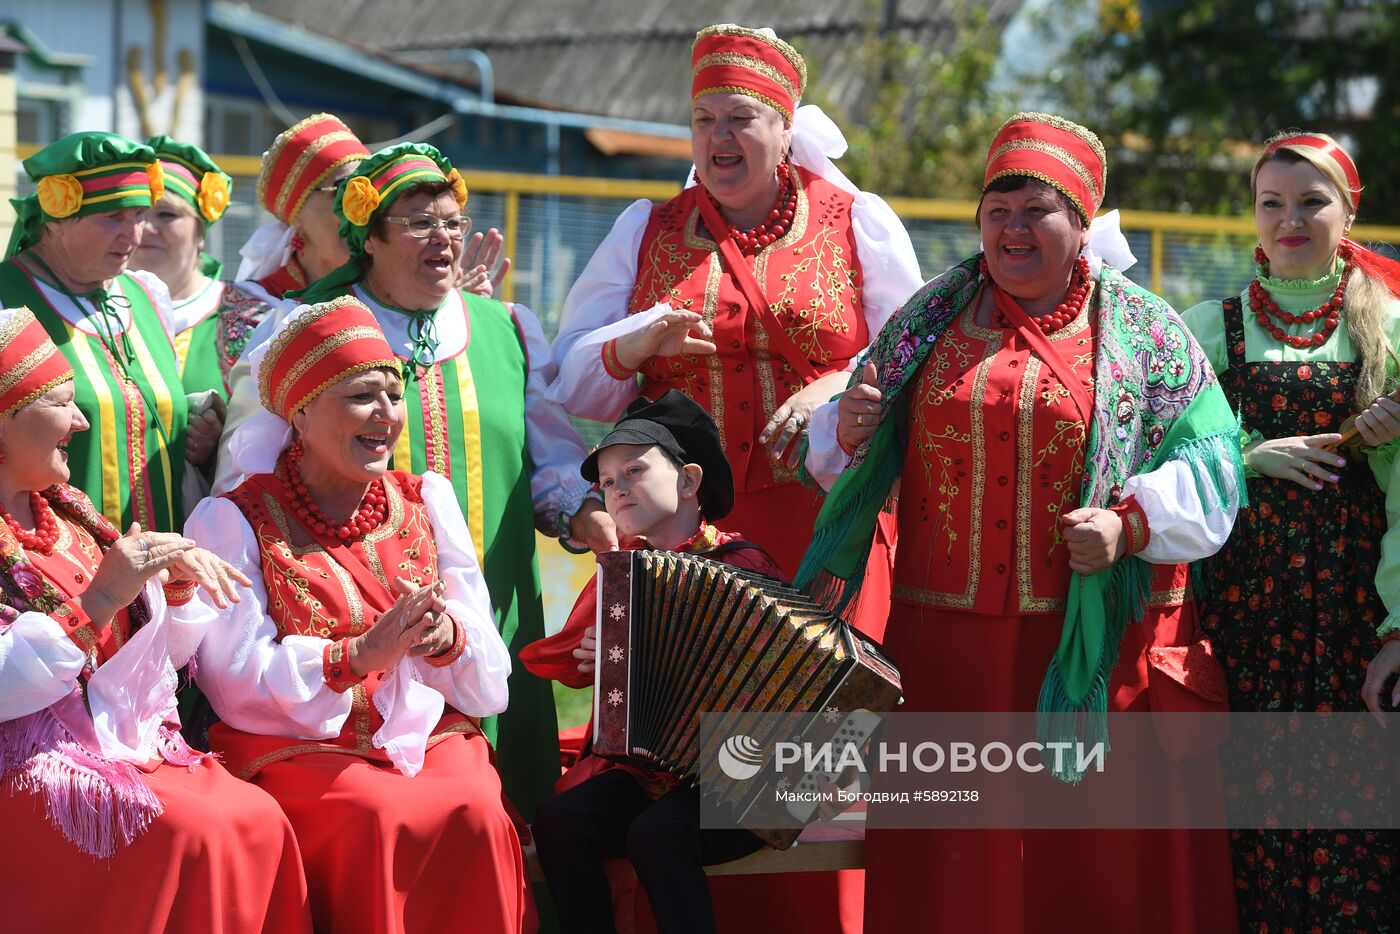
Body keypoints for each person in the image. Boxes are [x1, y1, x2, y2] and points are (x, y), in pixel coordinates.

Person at [801, 112, 1244, 932]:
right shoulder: (928, 320)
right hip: (940, 658)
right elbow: (839, 455)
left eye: (1036, 210)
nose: (1012, 229)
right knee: (948, 872)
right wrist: (848, 429)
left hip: (1080, 653)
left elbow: (1215, 469)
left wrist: (1130, 526)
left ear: (1080, 225)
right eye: (997, 210)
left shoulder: (1145, 330)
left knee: (1076, 868)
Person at [215, 142, 613, 823]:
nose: (447, 238)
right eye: (422, 223)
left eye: (454, 221)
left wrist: (580, 513)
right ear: (368, 238)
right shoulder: (308, 326)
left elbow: (547, 454)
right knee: (389, 813)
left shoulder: (505, 326)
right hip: (355, 626)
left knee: (501, 807)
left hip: (495, 613)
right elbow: (250, 475)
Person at [548, 23, 922, 626]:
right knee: (688, 692)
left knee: (816, 699)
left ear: (786, 128)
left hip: (820, 506)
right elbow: (573, 380)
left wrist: (836, 382)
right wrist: (637, 343)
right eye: (703, 118)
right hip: (684, 522)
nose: (719, 135)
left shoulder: (856, 221)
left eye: (741, 117)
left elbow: (913, 347)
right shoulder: (646, 228)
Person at [176, 296, 527, 933]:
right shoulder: (235, 518)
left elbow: (490, 674)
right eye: (362, 396)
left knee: (475, 806)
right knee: (375, 815)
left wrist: (448, 639)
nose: (386, 416)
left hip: (422, 735)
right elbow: (230, 680)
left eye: (394, 396)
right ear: (302, 414)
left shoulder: (427, 499)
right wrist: (355, 658)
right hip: (295, 742)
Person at [0, 307, 310, 932]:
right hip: (25, 761)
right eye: (62, 403)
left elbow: (139, 665)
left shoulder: (67, 512)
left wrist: (173, 591)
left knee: (258, 818)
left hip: (116, 741)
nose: (82, 420)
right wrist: (101, 600)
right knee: (189, 831)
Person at [1182, 131, 1400, 932]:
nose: (1290, 219)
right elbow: (1166, 460)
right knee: (1247, 814)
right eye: (1271, 203)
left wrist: (1399, 629)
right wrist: (1249, 458)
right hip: (1247, 616)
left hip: (1356, 618)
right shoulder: (1210, 327)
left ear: (1350, 212)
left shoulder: (1390, 330)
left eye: (1312, 201)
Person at [524, 390, 783, 934]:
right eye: (609, 482)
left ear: (689, 482)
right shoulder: (624, 575)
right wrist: (602, 662)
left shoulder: (744, 565)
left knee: (657, 834)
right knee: (560, 822)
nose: (617, 490)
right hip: (654, 774)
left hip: (752, 777)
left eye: (634, 471)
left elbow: (776, 683)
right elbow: (568, 661)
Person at [0, 132, 188, 532]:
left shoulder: (148, 296)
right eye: (113, 217)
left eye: (140, 215)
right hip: (54, 565)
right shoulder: (6, 300)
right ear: (57, 219)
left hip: (165, 568)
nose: (134, 235)